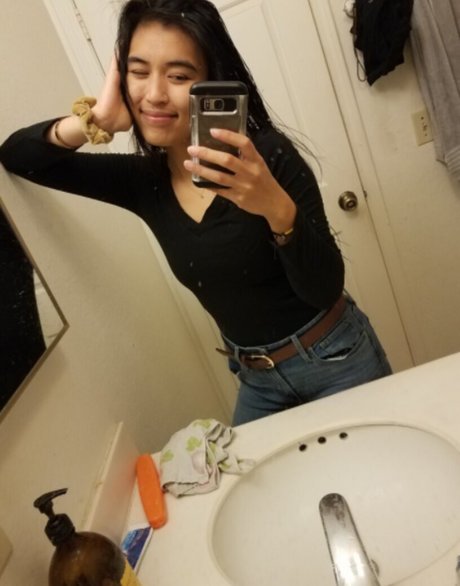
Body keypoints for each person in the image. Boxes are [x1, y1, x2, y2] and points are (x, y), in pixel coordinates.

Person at [0, 0, 391, 425]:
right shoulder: (144, 181)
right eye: (138, 71)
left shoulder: (267, 156)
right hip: (257, 380)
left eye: (179, 76)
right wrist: (96, 120)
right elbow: (19, 157)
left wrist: (276, 209)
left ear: (210, 83)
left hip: (335, 360)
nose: (154, 94)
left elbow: (324, 289)